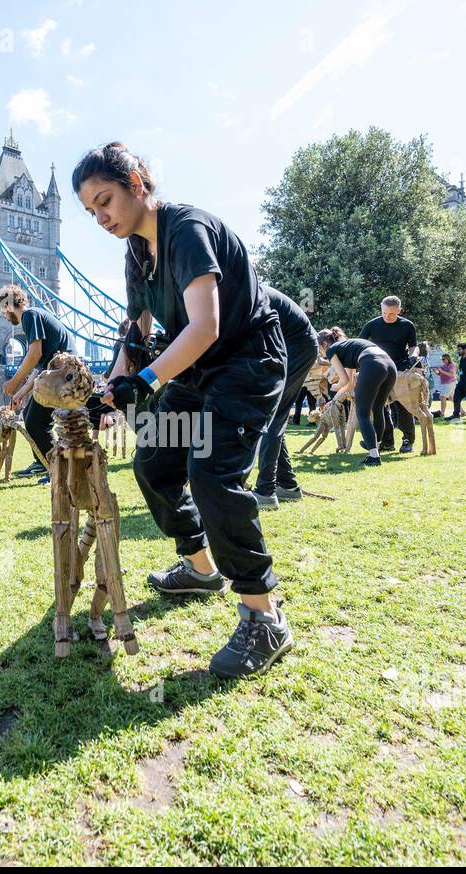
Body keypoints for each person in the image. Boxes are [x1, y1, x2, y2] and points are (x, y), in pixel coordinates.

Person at [75, 141, 290, 678]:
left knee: (212, 471)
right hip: (196, 372)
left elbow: (205, 327)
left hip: (245, 363)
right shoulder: (135, 253)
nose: (100, 218)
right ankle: (201, 569)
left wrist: (144, 380)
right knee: (154, 463)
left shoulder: (186, 229)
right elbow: (137, 330)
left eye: (105, 201)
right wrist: (115, 383)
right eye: (90, 211)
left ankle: (264, 616)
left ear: (138, 184)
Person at [251, 287, 318, 508]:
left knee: (271, 415)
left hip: (297, 346)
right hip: (289, 344)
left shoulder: (239, 288)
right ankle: (287, 486)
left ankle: (265, 492)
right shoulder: (235, 286)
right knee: (273, 416)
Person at [0, 285, 74, 478]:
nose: (4, 317)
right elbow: (40, 367)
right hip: (57, 374)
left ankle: (57, 469)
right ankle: (42, 462)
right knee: (31, 417)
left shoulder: (30, 316)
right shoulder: (35, 316)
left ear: (8, 306)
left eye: (3, 312)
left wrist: (14, 380)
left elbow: (34, 354)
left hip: (65, 375)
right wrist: (19, 394)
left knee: (37, 422)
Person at [316, 328, 397, 467]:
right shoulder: (348, 346)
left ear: (324, 344)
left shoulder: (331, 350)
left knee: (362, 413)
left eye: (319, 350)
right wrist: (334, 400)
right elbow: (350, 383)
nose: (322, 355)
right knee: (378, 408)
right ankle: (374, 447)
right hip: (390, 365)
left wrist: (334, 386)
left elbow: (343, 380)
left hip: (372, 364)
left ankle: (373, 455)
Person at [359, 295, 417, 452]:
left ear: (399, 310)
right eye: (384, 312)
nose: (387, 316)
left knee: (403, 405)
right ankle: (387, 442)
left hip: (400, 369)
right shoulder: (371, 325)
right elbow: (360, 344)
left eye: (391, 313)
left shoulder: (407, 325)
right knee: (379, 406)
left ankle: (407, 441)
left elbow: (413, 346)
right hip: (378, 369)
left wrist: (413, 357)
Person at [435, 348, 457, 419]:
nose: (443, 360)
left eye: (444, 359)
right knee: (451, 398)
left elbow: (451, 375)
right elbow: (441, 374)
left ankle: (442, 413)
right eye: (442, 359)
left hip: (450, 383)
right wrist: (436, 372)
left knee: (442, 397)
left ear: (448, 359)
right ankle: (462, 412)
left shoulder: (451, 365)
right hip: (445, 383)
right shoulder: (444, 366)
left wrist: (441, 370)